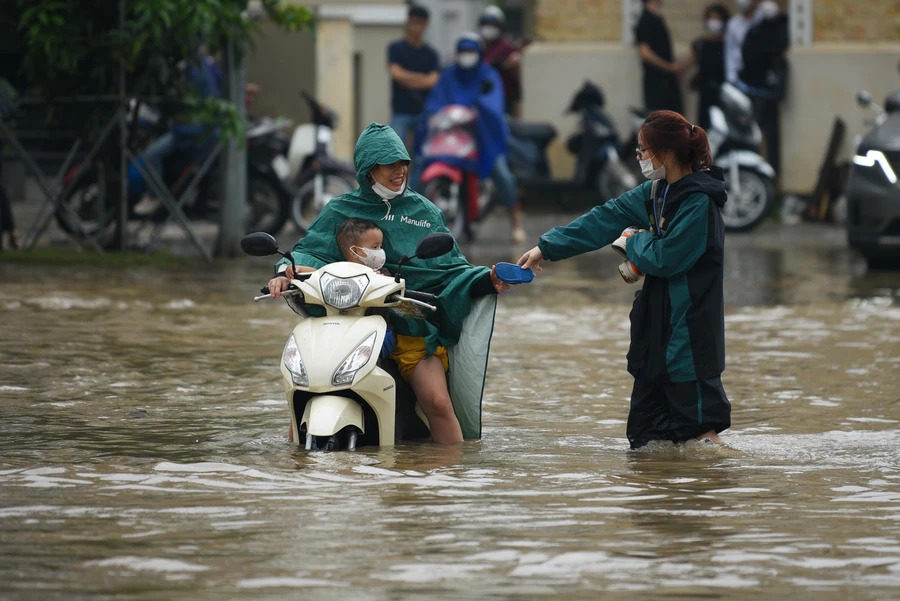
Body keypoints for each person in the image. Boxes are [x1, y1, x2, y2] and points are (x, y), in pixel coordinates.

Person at [267, 123, 510, 444]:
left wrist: (487, 278)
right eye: (389, 164)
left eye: (404, 163)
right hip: (347, 323)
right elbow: (307, 254)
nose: (400, 171)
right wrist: (285, 272)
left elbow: (452, 270)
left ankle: (452, 477)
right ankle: (293, 459)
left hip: (410, 328)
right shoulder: (339, 210)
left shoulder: (425, 212)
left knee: (437, 402)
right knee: (304, 390)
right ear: (368, 169)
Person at [517, 110, 731, 449]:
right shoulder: (656, 193)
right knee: (646, 444)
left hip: (688, 339)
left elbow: (665, 258)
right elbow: (606, 217)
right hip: (656, 338)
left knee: (700, 439)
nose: (641, 158)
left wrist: (635, 241)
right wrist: (546, 248)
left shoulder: (700, 203)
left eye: (643, 151)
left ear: (667, 153)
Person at [421, 34, 525, 242]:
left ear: (478, 53)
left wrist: (480, 108)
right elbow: (435, 100)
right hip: (454, 138)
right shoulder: (449, 75)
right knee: (420, 167)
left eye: (471, 51)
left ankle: (516, 220)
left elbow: (493, 102)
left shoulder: (488, 75)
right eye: (462, 52)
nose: (466, 56)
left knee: (502, 174)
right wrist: (434, 113)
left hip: (484, 138)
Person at [130, 44, 222, 214]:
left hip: (192, 132)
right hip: (198, 130)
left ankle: (153, 196)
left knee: (151, 154)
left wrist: (176, 123)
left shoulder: (194, 72)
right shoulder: (201, 68)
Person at [738, 0, 788, 176]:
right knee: (752, 135)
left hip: (771, 93)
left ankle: (775, 175)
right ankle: (753, 174)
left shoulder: (784, 27)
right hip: (752, 89)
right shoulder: (756, 29)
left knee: (773, 137)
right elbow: (747, 55)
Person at [387, 4, 440, 151]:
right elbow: (396, 74)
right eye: (414, 22)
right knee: (394, 151)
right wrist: (421, 77)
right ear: (407, 23)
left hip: (423, 111)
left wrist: (407, 79)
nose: (416, 27)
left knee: (423, 153)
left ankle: (416, 176)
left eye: (420, 23)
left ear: (426, 25)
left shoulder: (431, 54)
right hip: (401, 110)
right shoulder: (396, 48)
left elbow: (433, 81)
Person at [634, 0, 689, 113]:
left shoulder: (657, 18)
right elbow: (645, 52)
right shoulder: (646, 20)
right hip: (657, 85)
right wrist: (669, 67)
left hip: (667, 84)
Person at [686, 4, 730, 130]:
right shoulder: (700, 44)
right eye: (711, 18)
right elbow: (689, 63)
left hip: (723, 94)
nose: (714, 22)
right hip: (705, 94)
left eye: (717, 18)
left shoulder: (728, 45)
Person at [478, 6, 522, 118]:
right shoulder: (478, 47)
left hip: (503, 98)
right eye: (486, 24)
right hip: (479, 97)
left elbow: (517, 71)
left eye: (493, 25)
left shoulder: (508, 48)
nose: (489, 28)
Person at [724, 0, 761, 85]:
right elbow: (730, 51)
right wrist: (731, 78)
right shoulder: (733, 23)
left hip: (761, 71)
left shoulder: (763, 19)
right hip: (740, 72)